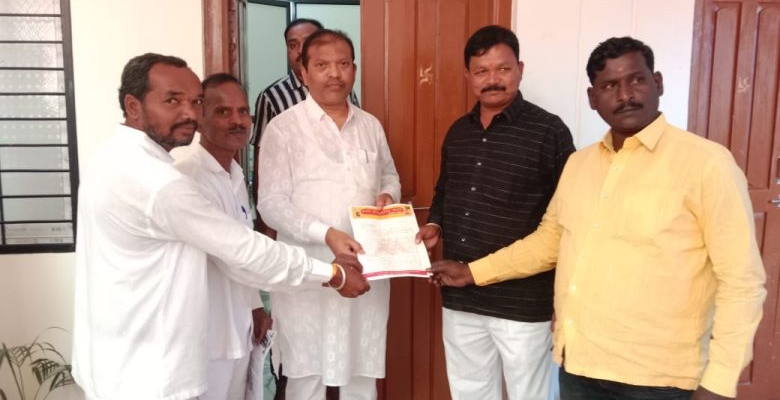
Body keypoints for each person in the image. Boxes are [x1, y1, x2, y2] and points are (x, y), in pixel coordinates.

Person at [429, 37, 766, 400]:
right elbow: (548, 242)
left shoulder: (707, 164)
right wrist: (472, 272)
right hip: (581, 367)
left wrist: (719, 382)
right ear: (593, 98)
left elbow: (741, 281)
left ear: (658, 83)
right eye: (609, 86)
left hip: (658, 379)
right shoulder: (581, 165)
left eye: (636, 80)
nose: (625, 95)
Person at [72, 53, 368, 400]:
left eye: (195, 102)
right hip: (150, 371)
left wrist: (255, 306)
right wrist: (333, 274)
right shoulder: (160, 182)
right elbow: (243, 251)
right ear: (133, 106)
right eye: (172, 101)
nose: (189, 113)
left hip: (133, 357)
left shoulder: (115, 157)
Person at [415, 25, 574, 400]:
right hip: (460, 299)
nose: (492, 80)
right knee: (470, 392)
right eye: (481, 71)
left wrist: (564, 300)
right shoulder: (459, 132)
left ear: (520, 69)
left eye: (503, 69)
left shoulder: (549, 132)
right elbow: (445, 189)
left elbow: (569, 220)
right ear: (468, 75)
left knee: (530, 396)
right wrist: (435, 223)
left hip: (523, 304)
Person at [257, 30, 401, 400]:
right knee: (306, 376)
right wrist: (326, 233)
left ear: (354, 69)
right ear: (303, 72)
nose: (334, 74)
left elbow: (389, 174)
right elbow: (270, 203)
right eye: (322, 65)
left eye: (343, 64)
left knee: (361, 376)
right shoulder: (283, 128)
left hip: (366, 268)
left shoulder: (370, 125)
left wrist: (388, 194)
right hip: (309, 270)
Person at [174, 73, 272, 400]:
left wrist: (256, 307)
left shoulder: (235, 175)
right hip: (206, 337)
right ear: (200, 118)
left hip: (239, 329)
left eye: (243, 111)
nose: (237, 121)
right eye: (223, 112)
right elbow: (234, 255)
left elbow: (242, 245)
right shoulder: (187, 178)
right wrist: (323, 274)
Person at [250, 18, 359, 209]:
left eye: (307, 41)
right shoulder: (271, 96)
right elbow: (262, 162)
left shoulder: (345, 91)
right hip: (296, 216)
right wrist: (264, 219)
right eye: (293, 45)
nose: (300, 50)